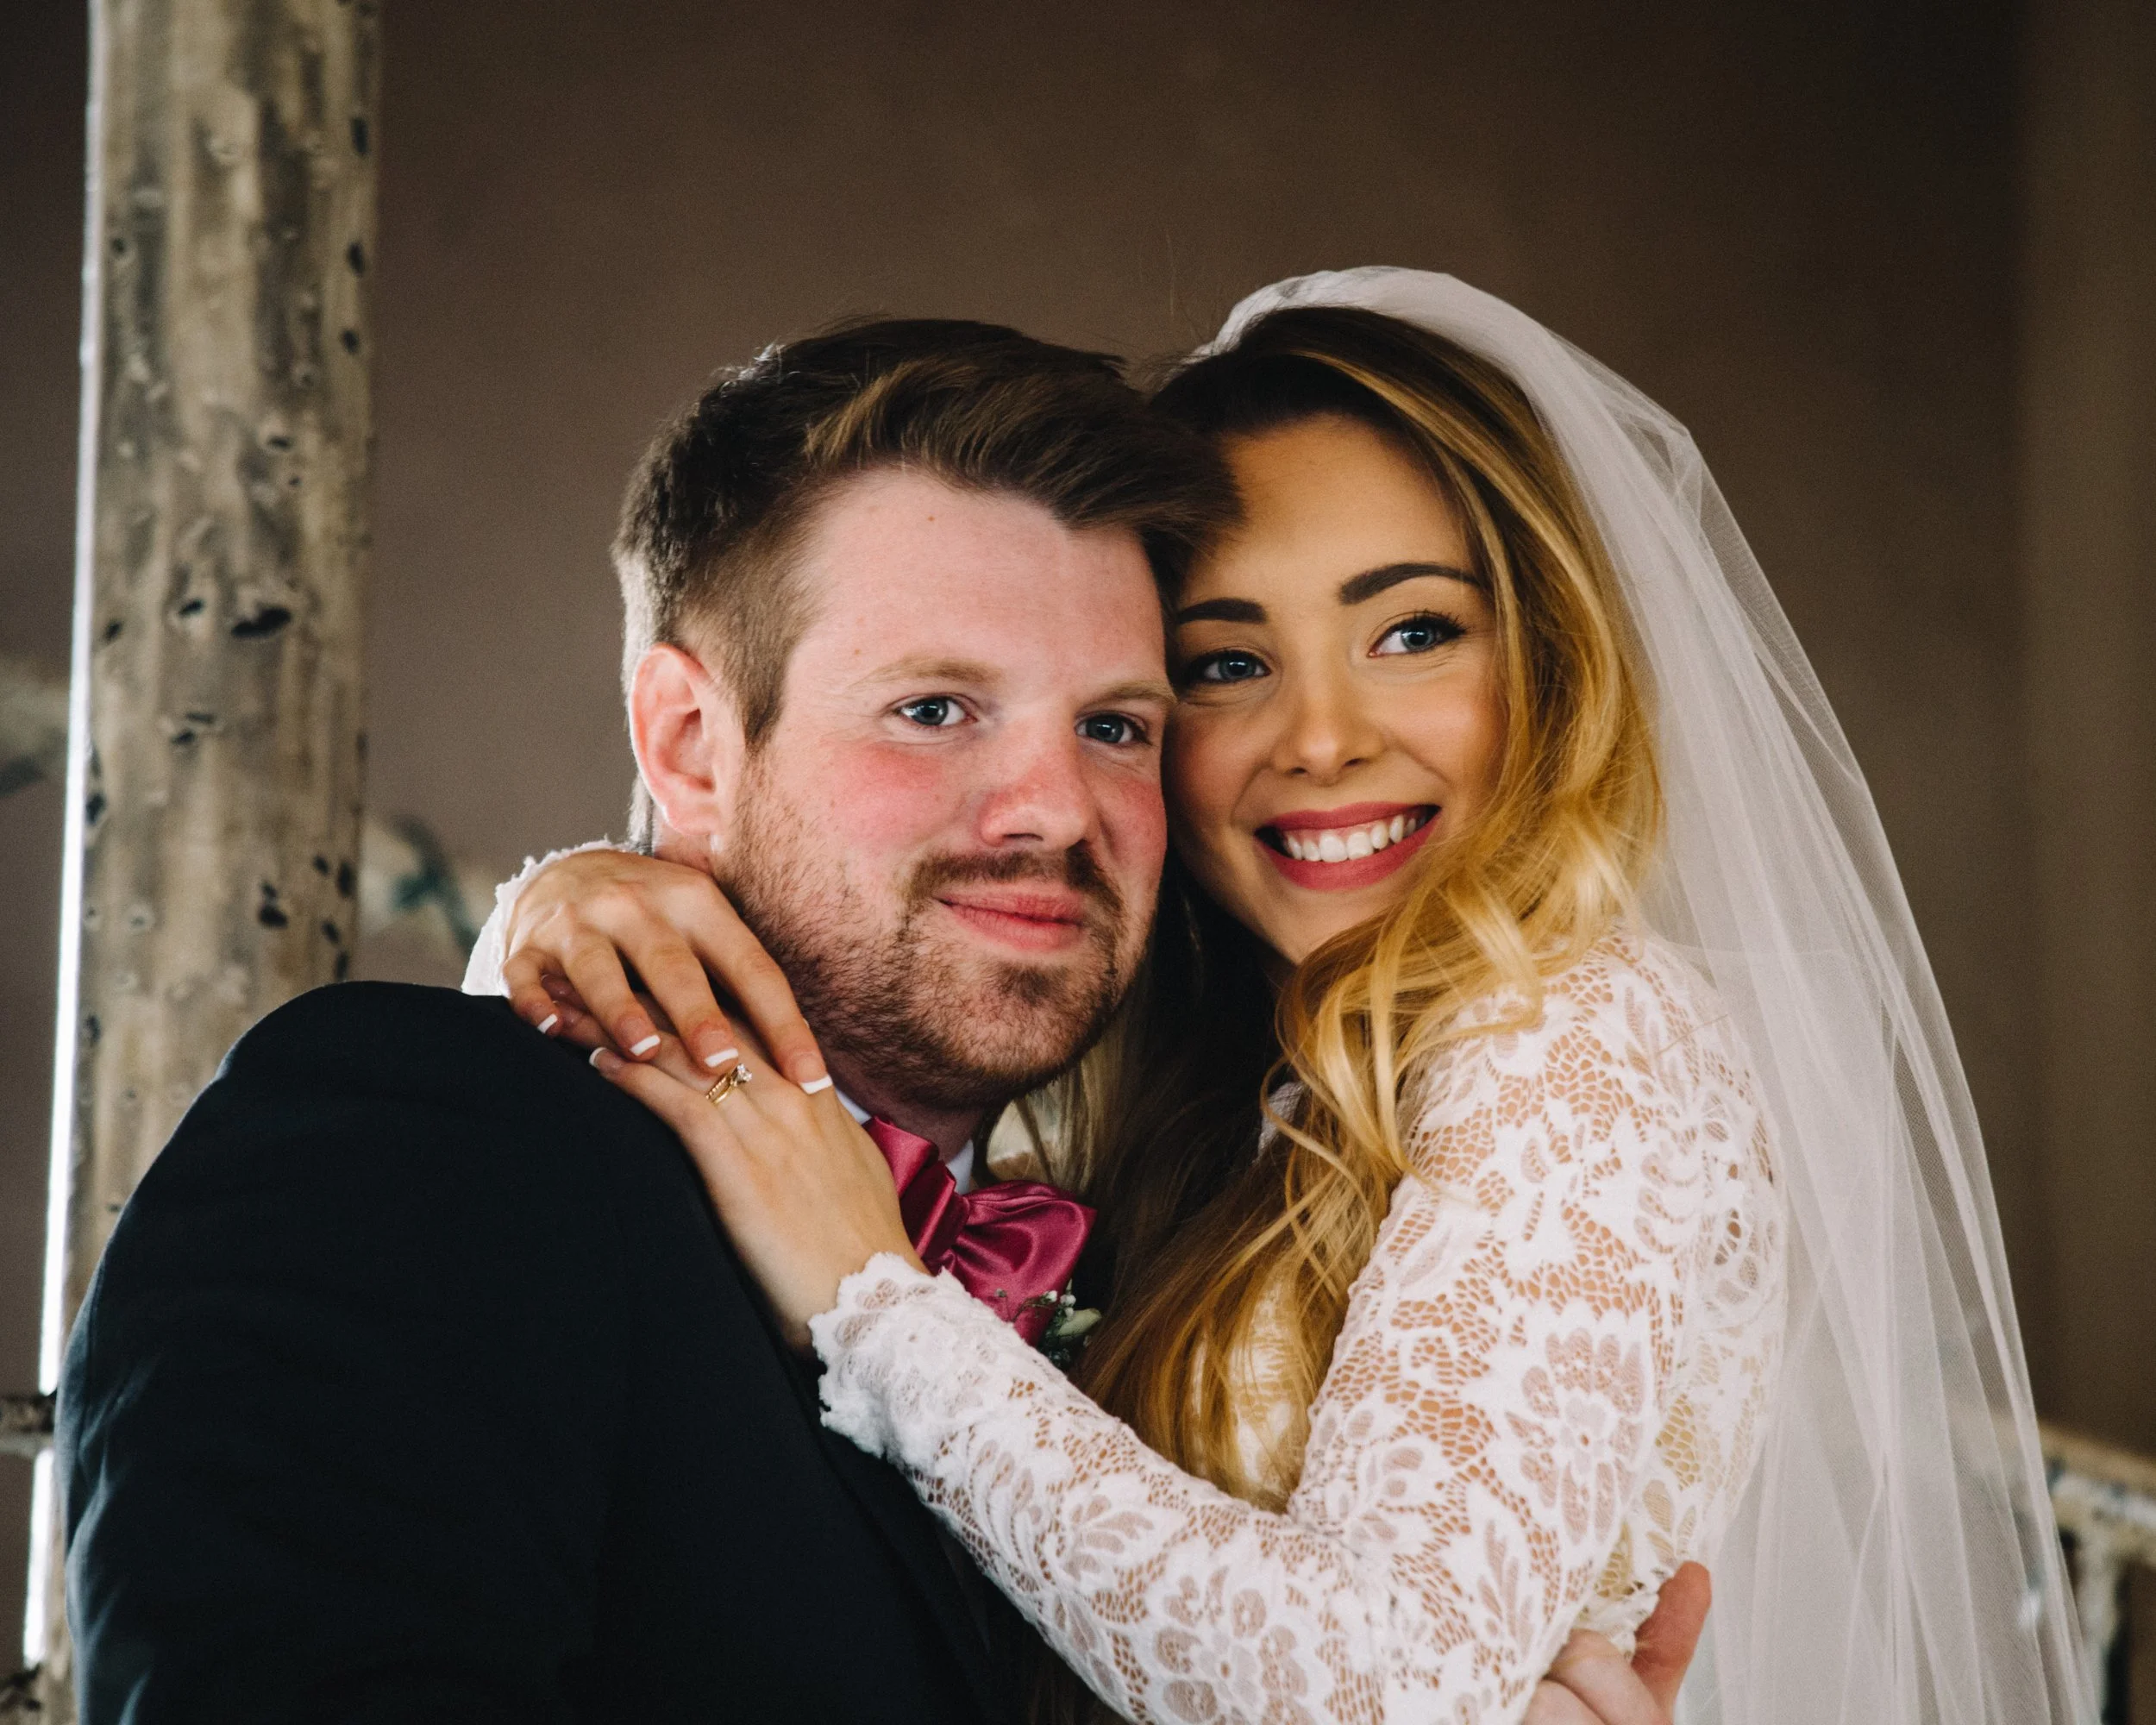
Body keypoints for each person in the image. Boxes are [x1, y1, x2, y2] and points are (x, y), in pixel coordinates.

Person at [478, 272, 2089, 1724]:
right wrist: (578, 906)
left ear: (1551, 656)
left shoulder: (1586, 1040)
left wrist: (871, 1305)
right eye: (1227, 664)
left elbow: (1381, 1690)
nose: (1322, 738)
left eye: (1412, 632)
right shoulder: (1198, 1067)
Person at [55, 314, 1678, 1725]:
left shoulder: (1142, 1242)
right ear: (689, 744)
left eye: (1117, 722)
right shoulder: (413, 1135)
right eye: (934, 709)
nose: (1053, 807)